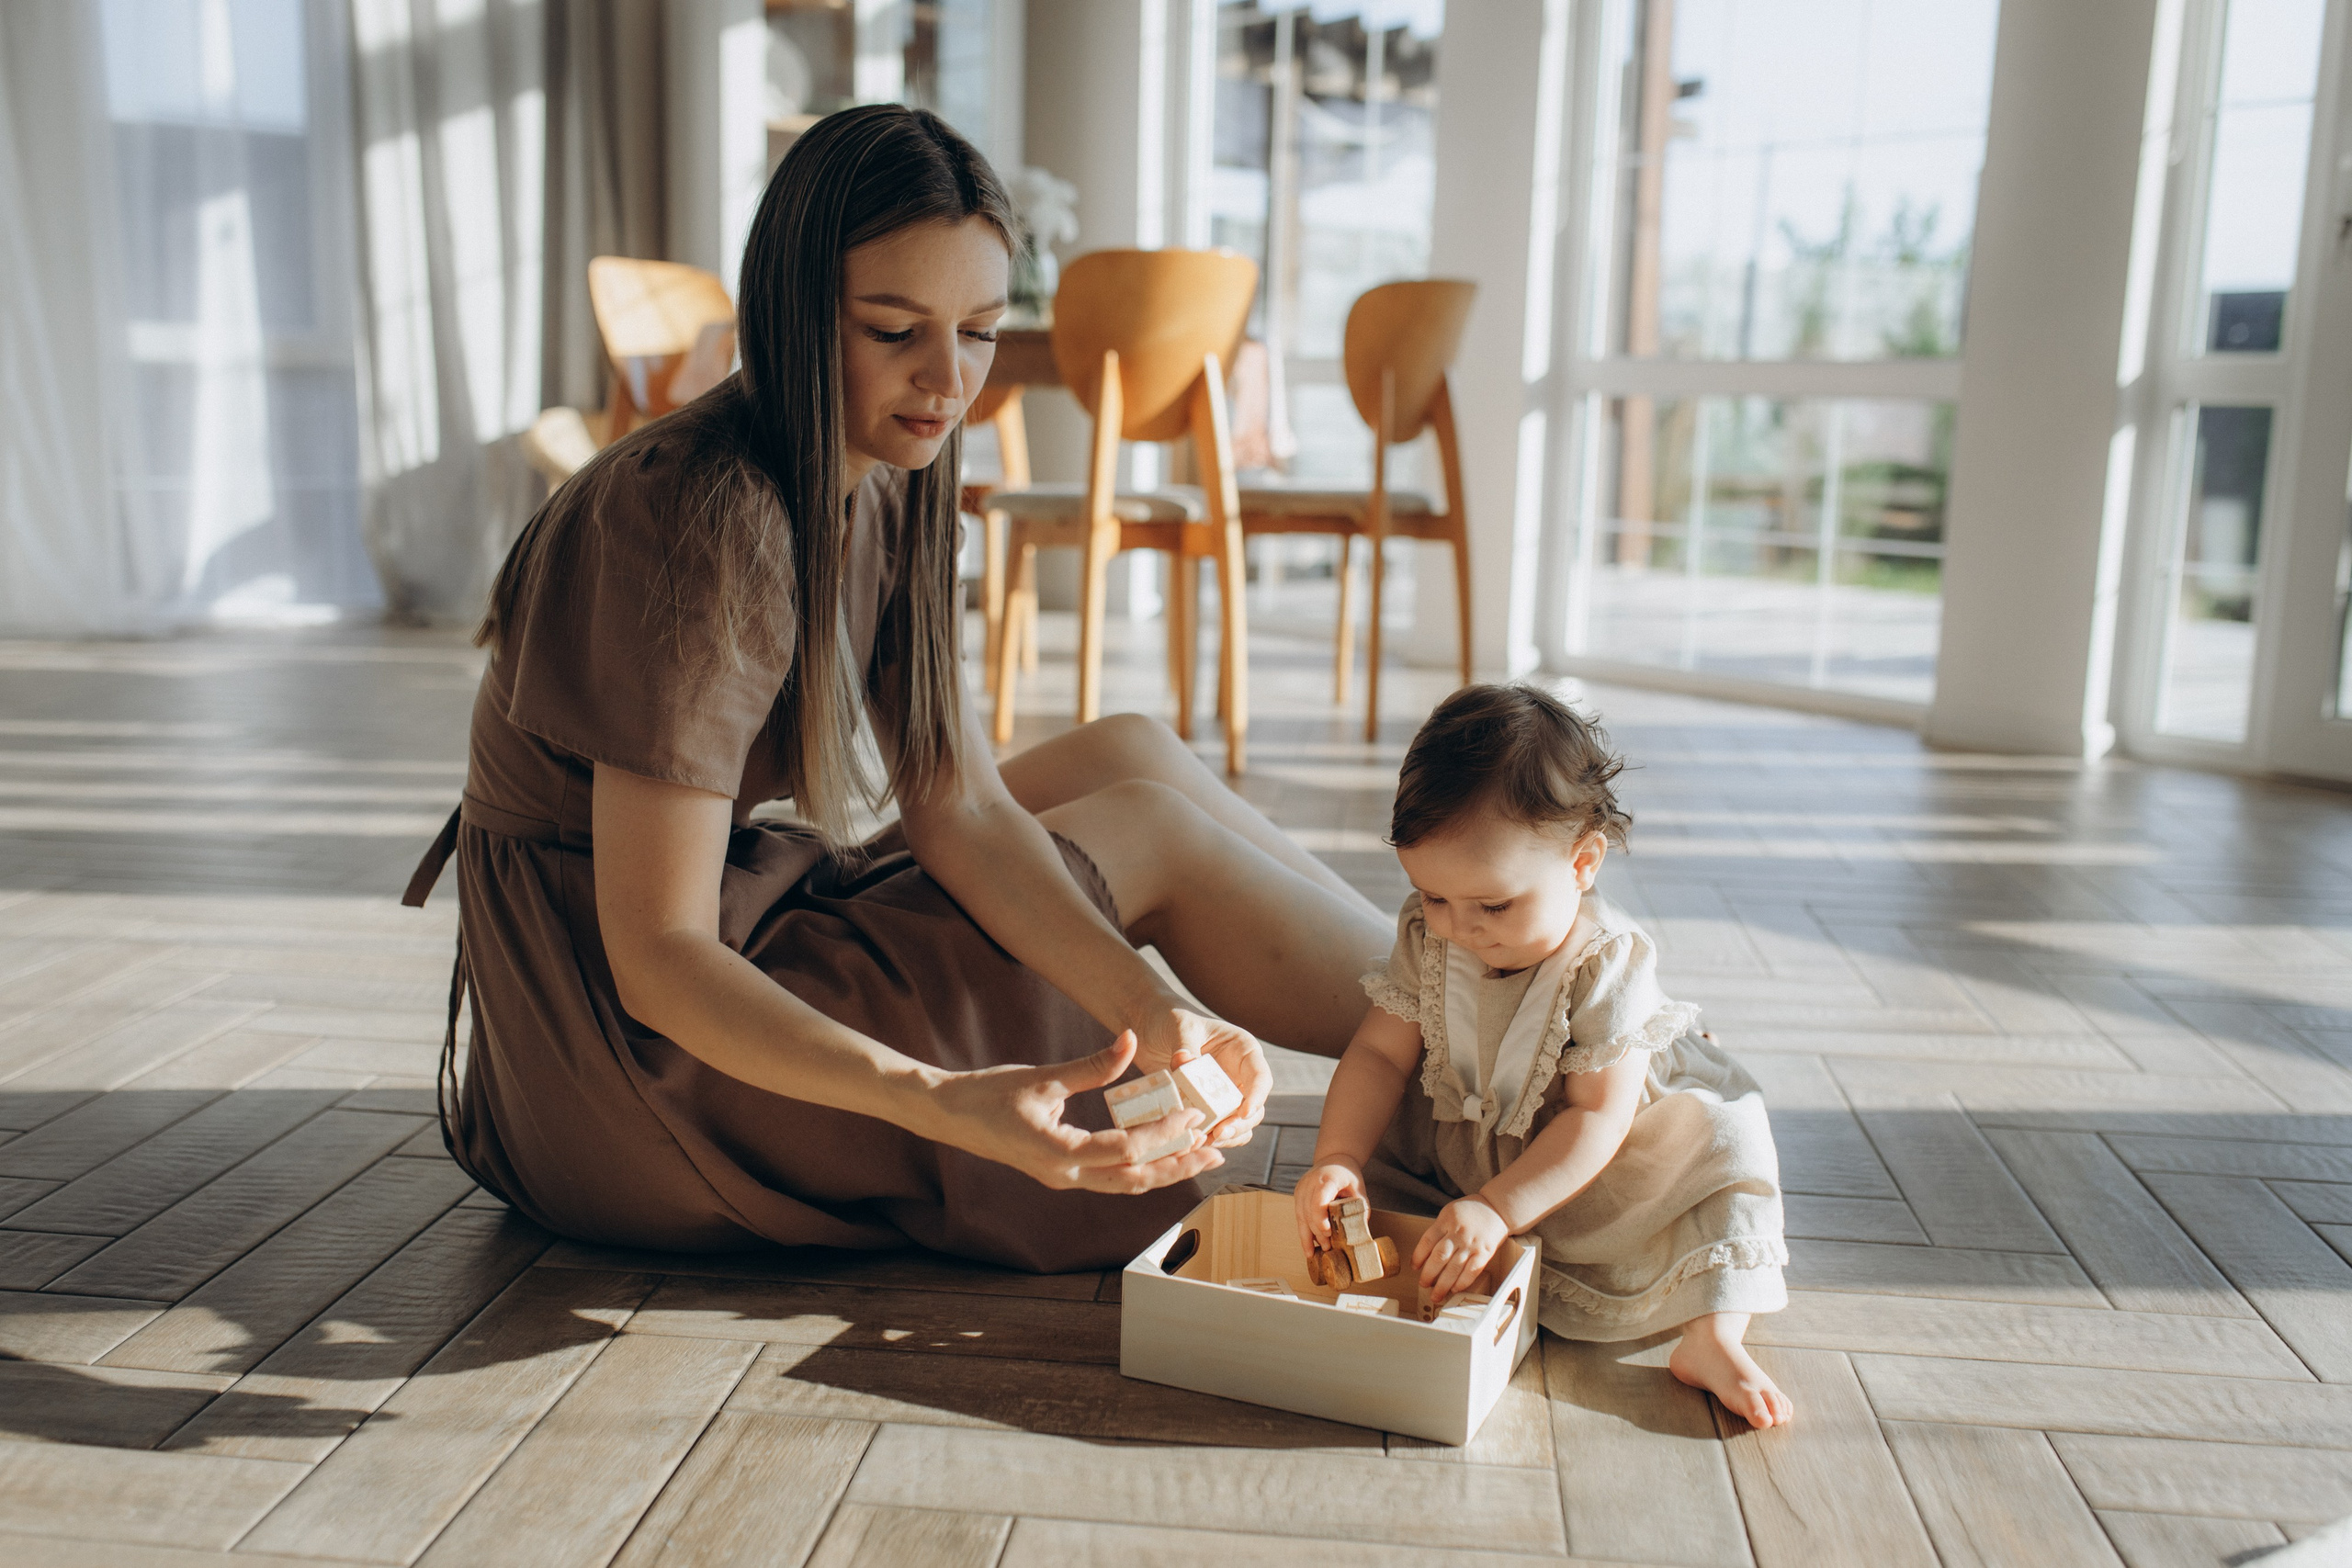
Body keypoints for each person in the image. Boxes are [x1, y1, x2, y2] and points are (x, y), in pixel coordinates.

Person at [403, 104, 1393, 1272]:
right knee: (1147, 834)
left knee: (1123, 750)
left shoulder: (891, 463)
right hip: (613, 1063)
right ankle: (1472, 1056)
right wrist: (941, 1099)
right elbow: (657, 958)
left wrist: (1151, 1008)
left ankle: (1469, 1001)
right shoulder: (697, 515)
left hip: (700, 944)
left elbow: (958, 805)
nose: (946, 379)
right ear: (790, 314)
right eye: (892, 329)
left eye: (977, 331)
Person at [1292, 684, 1793, 1427]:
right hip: (1471, 1147)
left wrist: (1498, 1207)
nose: (1459, 928)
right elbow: (1376, 1054)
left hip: (1597, 1153)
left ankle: (1712, 1336)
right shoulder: (1432, 933)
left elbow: (1598, 1116)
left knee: (1722, 1144)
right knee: (1390, 1172)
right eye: (1431, 896)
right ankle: (1461, 1244)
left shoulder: (1604, 962)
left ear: (1584, 861)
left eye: (1493, 906)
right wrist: (1336, 1156)